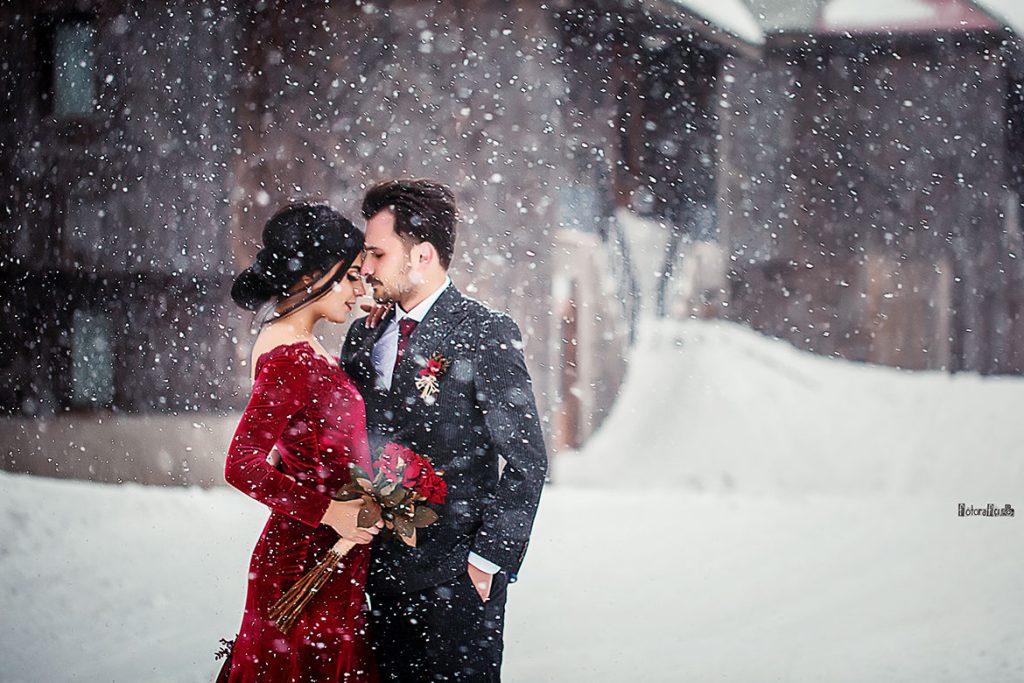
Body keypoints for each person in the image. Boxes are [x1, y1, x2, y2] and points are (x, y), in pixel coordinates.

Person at [342, 179, 548, 682]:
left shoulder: (484, 331)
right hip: (377, 576)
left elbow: (527, 459)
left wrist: (486, 560)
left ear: (423, 256)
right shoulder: (364, 334)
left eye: (377, 253)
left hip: (456, 582)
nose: (365, 268)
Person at [220, 203, 382, 683]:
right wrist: (332, 513)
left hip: (331, 557)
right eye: (352, 276)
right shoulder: (289, 353)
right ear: (316, 273)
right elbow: (242, 464)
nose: (359, 290)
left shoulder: (309, 347)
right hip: (302, 561)